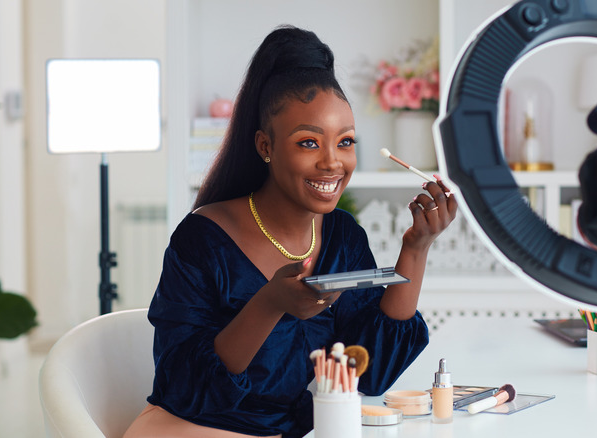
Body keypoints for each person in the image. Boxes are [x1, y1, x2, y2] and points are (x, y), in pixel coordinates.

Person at [124, 25, 457, 438]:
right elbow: (181, 387)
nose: (333, 163)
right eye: (309, 143)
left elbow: (370, 373)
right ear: (265, 146)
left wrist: (416, 248)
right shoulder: (203, 239)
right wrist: (269, 304)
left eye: (347, 142)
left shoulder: (342, 238)